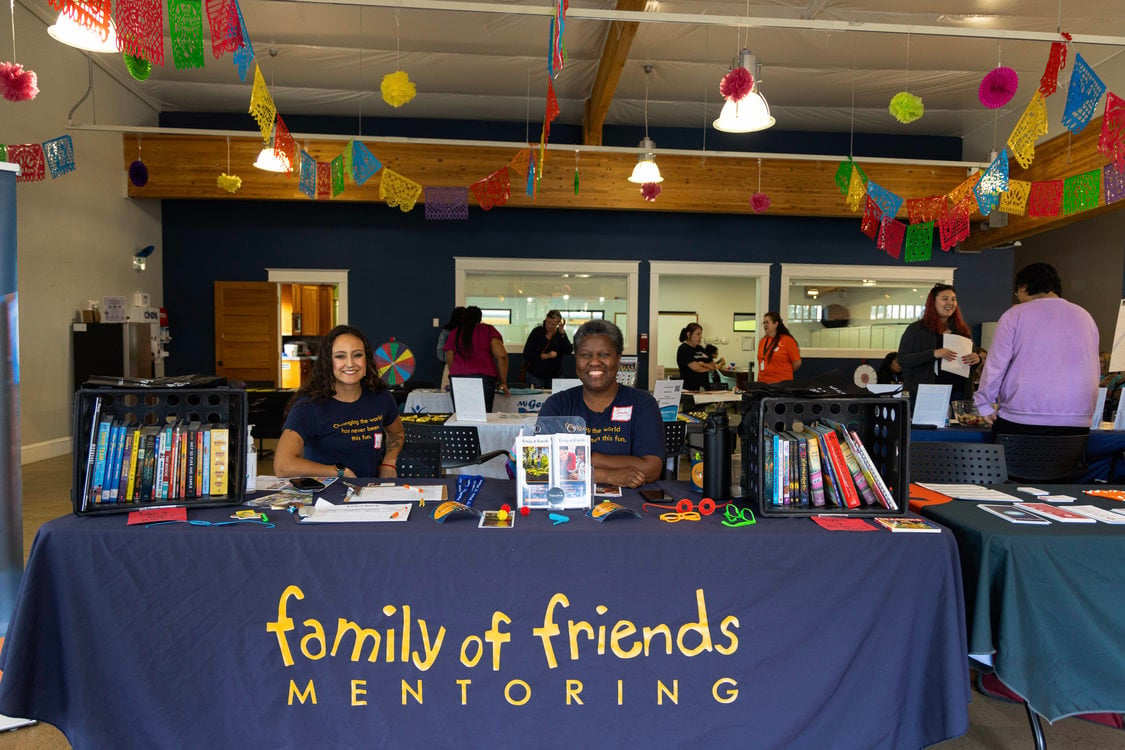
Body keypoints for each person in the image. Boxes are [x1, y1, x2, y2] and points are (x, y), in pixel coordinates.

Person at [974, 263, 1099, 436]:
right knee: (1065, 464)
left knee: (1008, 463)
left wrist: (983, 403)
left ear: (1023, 287)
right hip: (1077, 419)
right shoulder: (1085, 316)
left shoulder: (1015, 314)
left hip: (1021, 416)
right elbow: (1092, 364)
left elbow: (996, 363)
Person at [538, 319, 664, 488]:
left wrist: (590, 458)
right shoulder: (557, 405)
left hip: (632, 506)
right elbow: (543, 466)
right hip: (567, 504)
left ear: (618, 359)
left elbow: (651, 468)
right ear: (576, 359)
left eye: (604, 354)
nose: (595, 362)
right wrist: (606, 475)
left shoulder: (642, 403)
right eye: (585, 355)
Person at [275, 325, 404, 479]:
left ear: (367, 360)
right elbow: (283, 466)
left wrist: (389, 462)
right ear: (328, 362)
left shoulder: (381, 397)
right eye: (340, 356)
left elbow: (397, 434)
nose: (350, 363)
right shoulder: (308, 407)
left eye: (357, 355)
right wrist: (340, 472)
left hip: (369, 494)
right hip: (323, 496)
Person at [897, 284, 980, 402]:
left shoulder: (962, 331)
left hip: (959, 394)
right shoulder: (917, 329)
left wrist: (976, 359)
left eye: (953, 299)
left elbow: (971, 360)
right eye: (945, 299)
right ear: (933, 302)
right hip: (928, 395)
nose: (950, 303)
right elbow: (903, 359)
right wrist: (934, 354)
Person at [444, 305, 509, 412]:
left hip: (458, 378)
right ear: (480, 318)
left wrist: (456, 370)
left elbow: (449, 354)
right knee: (483, 417)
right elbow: (502, 356)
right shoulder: (488, 330)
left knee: (462, 417)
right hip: (484, 378)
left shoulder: (455, 332)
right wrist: (503, 382)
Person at [521, 310, 573, 388]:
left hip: (555, 375)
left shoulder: (560, 334)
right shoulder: (537, 332)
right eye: (548, 322)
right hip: (536, 374)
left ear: (558, 324)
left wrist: (562, 333)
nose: (549, 326)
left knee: (556, 399)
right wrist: (545, 356)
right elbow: (527, 353)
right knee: (536, 398)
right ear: (546, 319)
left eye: (553, 324)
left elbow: (568, 350)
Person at [757, 312, 801, 383]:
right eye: (764, 323)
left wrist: (784, 371)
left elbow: (797, 363)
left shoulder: (787, 340)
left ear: (776, 324)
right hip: (763, 383)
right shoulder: (762, 341)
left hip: (781, 384)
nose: (765, 325)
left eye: (767, 323)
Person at [677, 322, 720, 391]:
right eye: (698, 334)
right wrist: (709, 368)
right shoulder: (683, 349)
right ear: (688, 335)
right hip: (690, 390)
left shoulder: (700, 348)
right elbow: (696, 368)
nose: (700, 337)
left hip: (705, 389)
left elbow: (713, 365)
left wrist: (703, 364)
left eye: (701, 334)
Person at [435, 306, 464, 389]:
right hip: (464, 367)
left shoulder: (446, 331)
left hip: (450, 366)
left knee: (446, 395)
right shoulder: (447, 332)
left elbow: (440, 352)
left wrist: (449, 360)